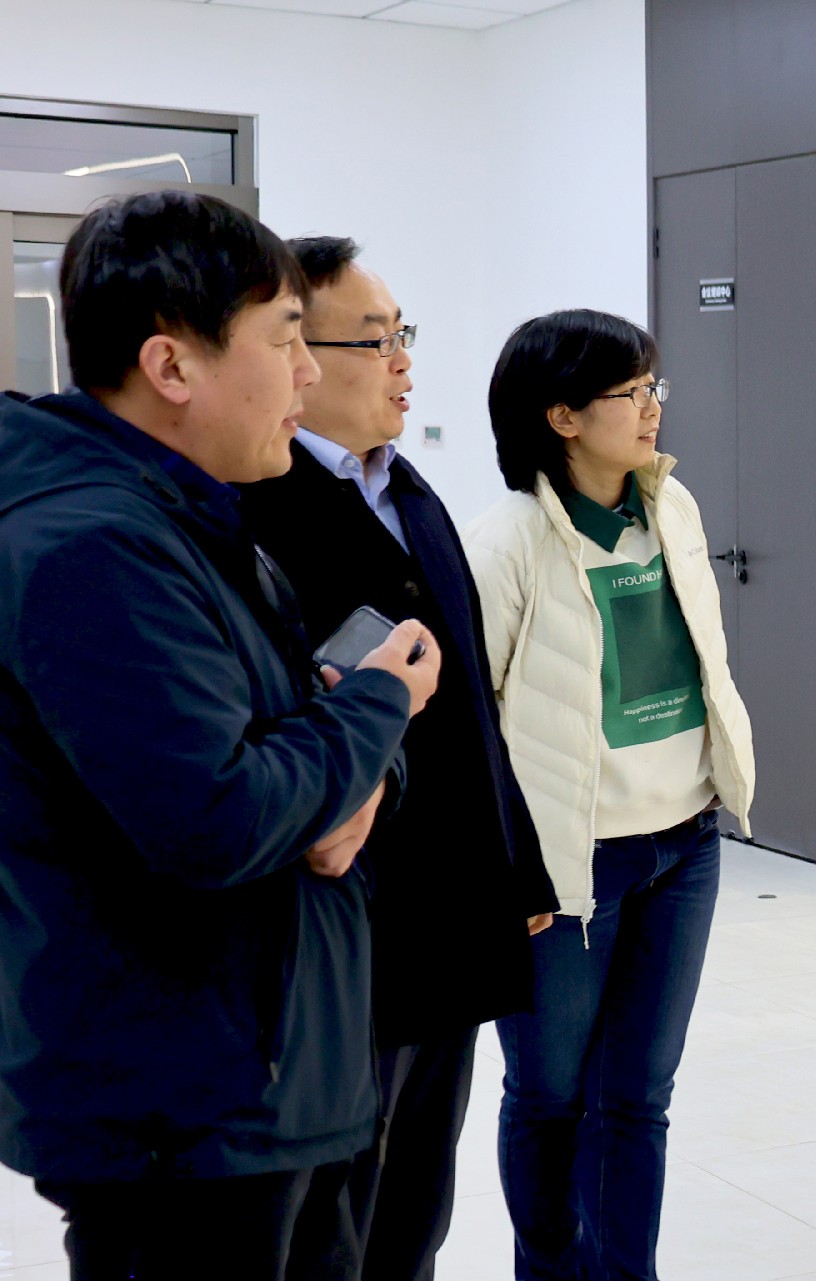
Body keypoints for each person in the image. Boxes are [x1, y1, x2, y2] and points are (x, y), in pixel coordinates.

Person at [0, 191, 441, 1281]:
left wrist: (354, 759)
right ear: (172, 365)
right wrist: (377, 707)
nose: (307, 373)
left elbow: (291, 739)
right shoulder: (91, 548)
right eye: (286, 338)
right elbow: (218, 814)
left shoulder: (192, 520)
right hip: (188, 1115)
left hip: (270, 1082)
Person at [240, 236, 559, 1281]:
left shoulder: (410, 491)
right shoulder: (254, 509)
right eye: (375, 341)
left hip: (453, 915)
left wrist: (518, 863)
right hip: (352, 929)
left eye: (401, 335)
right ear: (297, 353)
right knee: (339, 1210)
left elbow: (473, 708)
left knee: (419, 1197)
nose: (403, 362)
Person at [465, 309, 755, 1281]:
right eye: (630, 392)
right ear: (561, 416)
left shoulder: (672, 507)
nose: (651, 408)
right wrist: (509, 870)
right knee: (549, 1096)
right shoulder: (506, 542)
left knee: (638, 1097)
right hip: (564, 866)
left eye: (651, 387)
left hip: (685, 844)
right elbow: (470, 719)